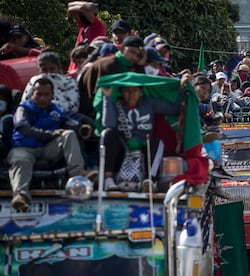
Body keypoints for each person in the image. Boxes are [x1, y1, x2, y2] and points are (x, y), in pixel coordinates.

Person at [7, 76, 92, 212]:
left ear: (52, 96)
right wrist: (49, 134)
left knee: (68, 135)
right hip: (24, 147)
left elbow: (70, 120)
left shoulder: (56, 110)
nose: (42, 98)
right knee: (21, 160)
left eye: (46, 94)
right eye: (38, 94)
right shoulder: (23, 109)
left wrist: (82, 128)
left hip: (47, 148)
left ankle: (77, 175)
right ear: (32, 93)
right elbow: (23, 128)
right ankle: (21, 197)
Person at [99, 73, 189, 191]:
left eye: (134, 90)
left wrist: (181, 89)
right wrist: (107, 98)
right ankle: (108, 180)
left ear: (141, 91)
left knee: (158, 142)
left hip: (144, 149)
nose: (131, 95)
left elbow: (174, 109)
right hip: (122, 150)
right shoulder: (117, 104)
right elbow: (109, 124)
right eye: (127, 91)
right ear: (121, 92)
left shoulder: (149, 102)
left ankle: (149, 180)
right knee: (107, 134)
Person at [78, 35, 147, 119]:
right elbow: (104, 97)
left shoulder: (129, 66)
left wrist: (140, 66)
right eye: (132, 52)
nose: (134, 57)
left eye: (138, 55)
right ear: (122, 49)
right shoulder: (109, 65)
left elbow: (140, 90)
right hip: (92, 111)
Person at [66, 1, 106, 73]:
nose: (75, 17)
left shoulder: (97, 26)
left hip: (88, 67)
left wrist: (85, 7)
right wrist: (86, 5)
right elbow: (70, 5)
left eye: (77, 14)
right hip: (75, 68)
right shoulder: (83, 27)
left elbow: (82, 9)